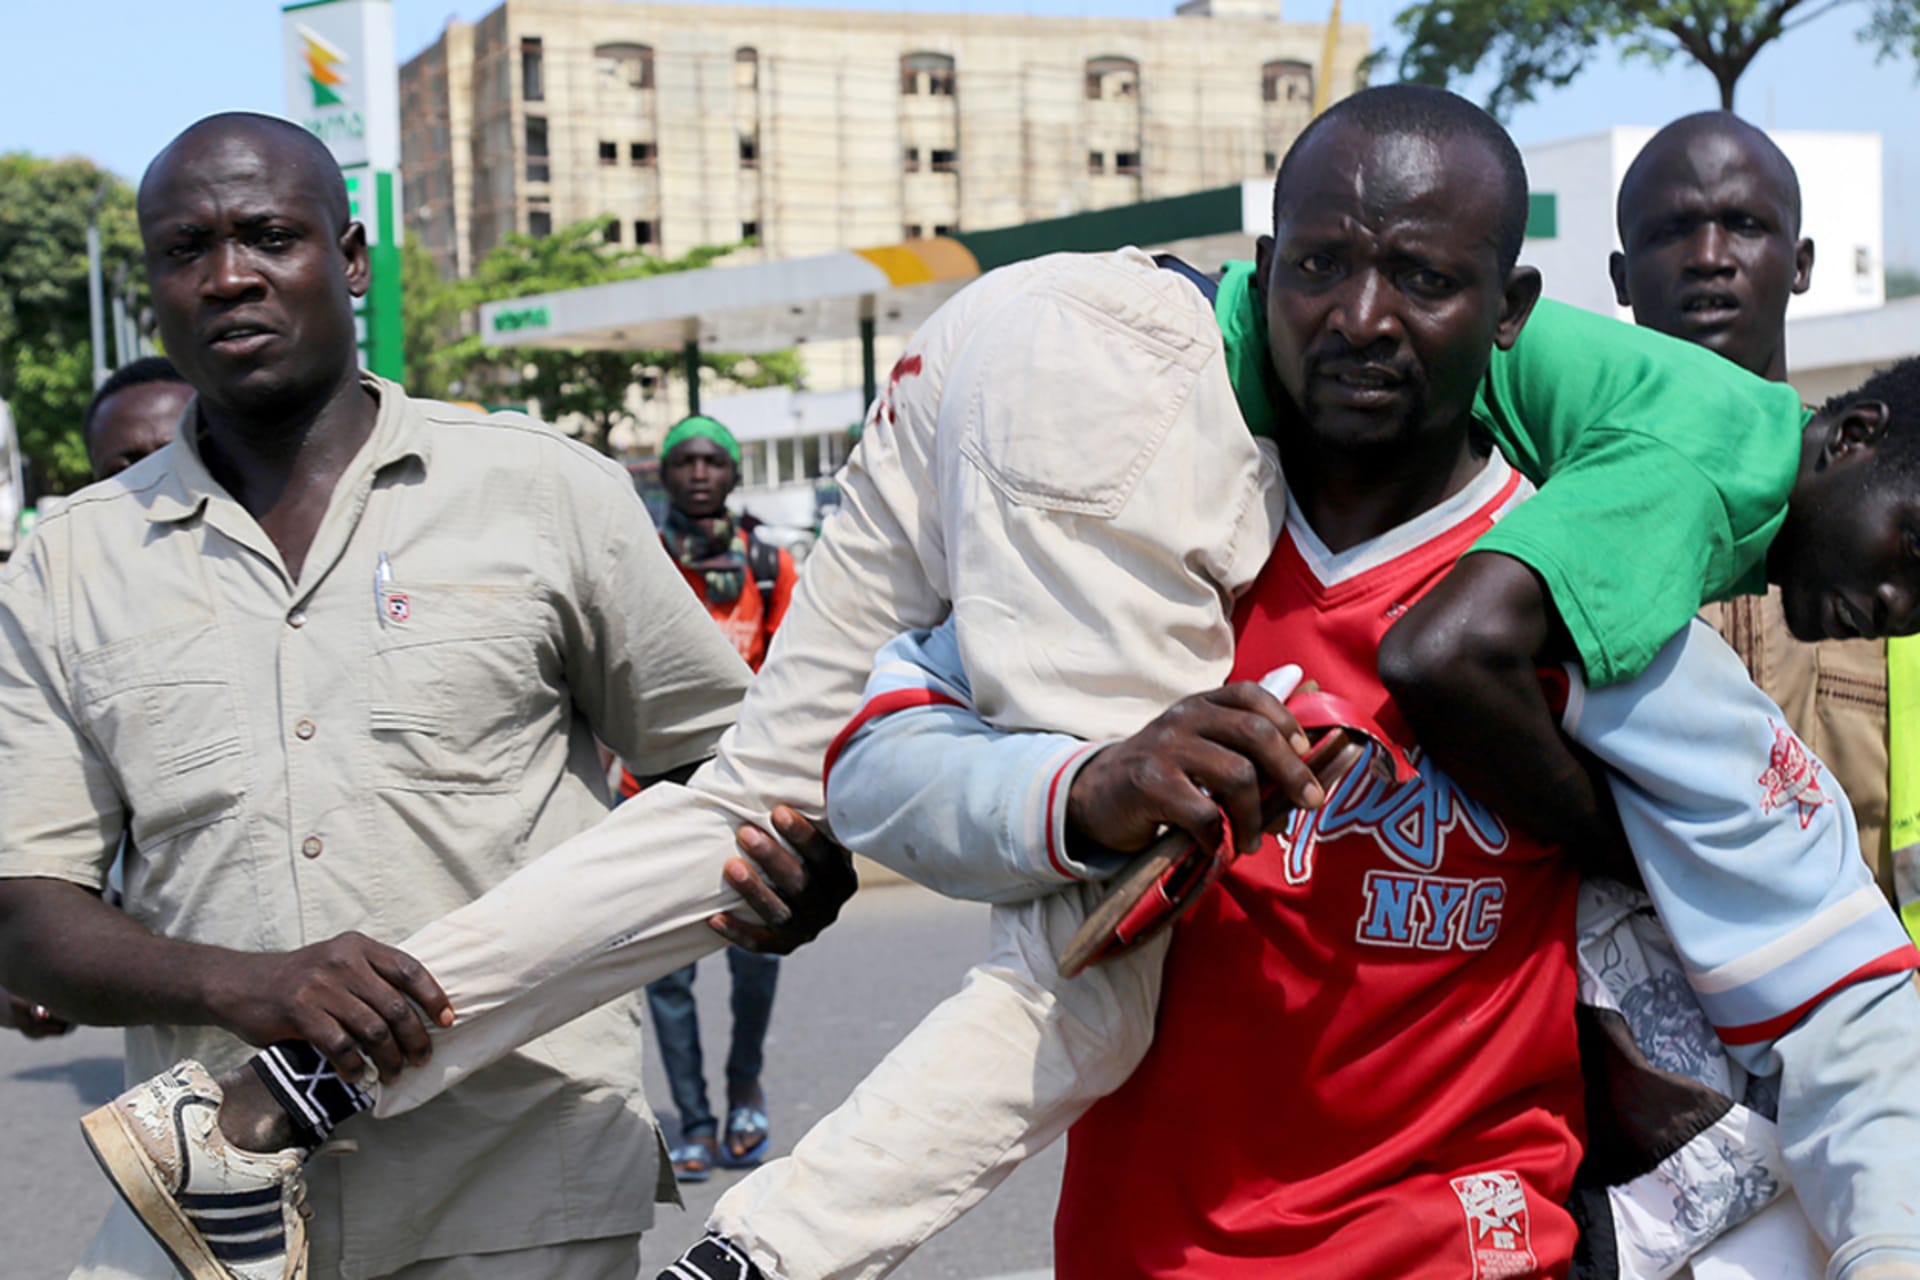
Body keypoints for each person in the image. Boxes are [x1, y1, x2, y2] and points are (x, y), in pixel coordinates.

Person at [67, 91, 1920, 1280]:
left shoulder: (1642, 437)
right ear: (1846, 433)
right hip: (1111, 386)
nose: (1891, 599)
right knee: (1113, 927)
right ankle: (769, 1256)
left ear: (1497, 310)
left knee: (740, 804)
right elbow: (1449, 651)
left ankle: (262, 1100)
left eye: (1418, 286)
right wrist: (1618, 851)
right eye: (1910, 543)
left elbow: (849, 771)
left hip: (1019, 340)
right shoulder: (1712, 470)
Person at [660, 88, 1920, 1280]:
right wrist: (1087, 785)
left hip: (1467, 1241)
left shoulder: (1594, 616)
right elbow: (876, 765)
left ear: (1510, 309)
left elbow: (1847, 1002)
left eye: (1425, 279)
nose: (1363, 318)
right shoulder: (1144, 550)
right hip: (1144, 1245)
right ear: (1265, 276)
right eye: (1321, 266)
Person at [0, 112, 847, 1280]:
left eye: (268, 236)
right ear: (154, 287)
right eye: (186, 249)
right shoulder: (66, 564)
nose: (229, 275)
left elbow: (731, 775)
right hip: (232, 1218)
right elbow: (27, 912)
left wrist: (796, 876)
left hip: (519, 1187)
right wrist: (243, 984)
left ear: (349, 260)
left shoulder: (545, 492)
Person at [1611, 111, 1890, 885]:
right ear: (1621, 278)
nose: (1709, 258)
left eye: (1743, 225)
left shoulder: (1887, 524)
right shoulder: (1551, 514)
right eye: (1672, 231)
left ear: (1800, 263)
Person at [0, 358, 194, 1042]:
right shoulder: (57, 614)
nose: (154, 479)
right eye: (126, 465)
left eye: (177, 453)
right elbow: (41, 875)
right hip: (202, 1056)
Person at [645, 414, 799, 1179]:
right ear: (665, 474)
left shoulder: (769, 563)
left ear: (734, 475)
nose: (700, 472)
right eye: (685, 461)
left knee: (754, 954)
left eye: (714, 461)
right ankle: (695, 1123)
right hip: (652, 793)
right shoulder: (640, 558)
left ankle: (744, 1092)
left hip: (751, 796)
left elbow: (800, 668)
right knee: (667, 973)